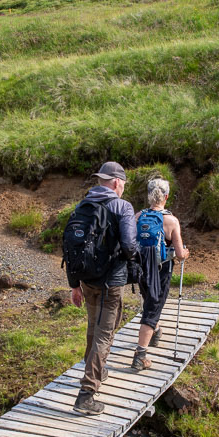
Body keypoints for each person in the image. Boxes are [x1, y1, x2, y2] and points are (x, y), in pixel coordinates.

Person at [66, 161, 138, 415]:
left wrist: (74, 285)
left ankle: (96, 368)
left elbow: (71, 247)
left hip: (86, 279)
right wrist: (139, 260)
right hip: (110, 281)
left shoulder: (83, 205)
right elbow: (129, 246)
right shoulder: (122, 207)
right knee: (104, 334)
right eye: (124, 184)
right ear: (117, 182)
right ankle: (86, 395)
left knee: (92, 327)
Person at [132, 178, 189, 371]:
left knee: (149, 303)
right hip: (161, 272)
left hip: (141, 269)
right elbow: (180, 255)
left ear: (149, 195)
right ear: (166, 196)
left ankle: (155, 331)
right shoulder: (171, 221)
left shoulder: (138, 216)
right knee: (152, 310)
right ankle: (140, 356)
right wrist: (185, 254)